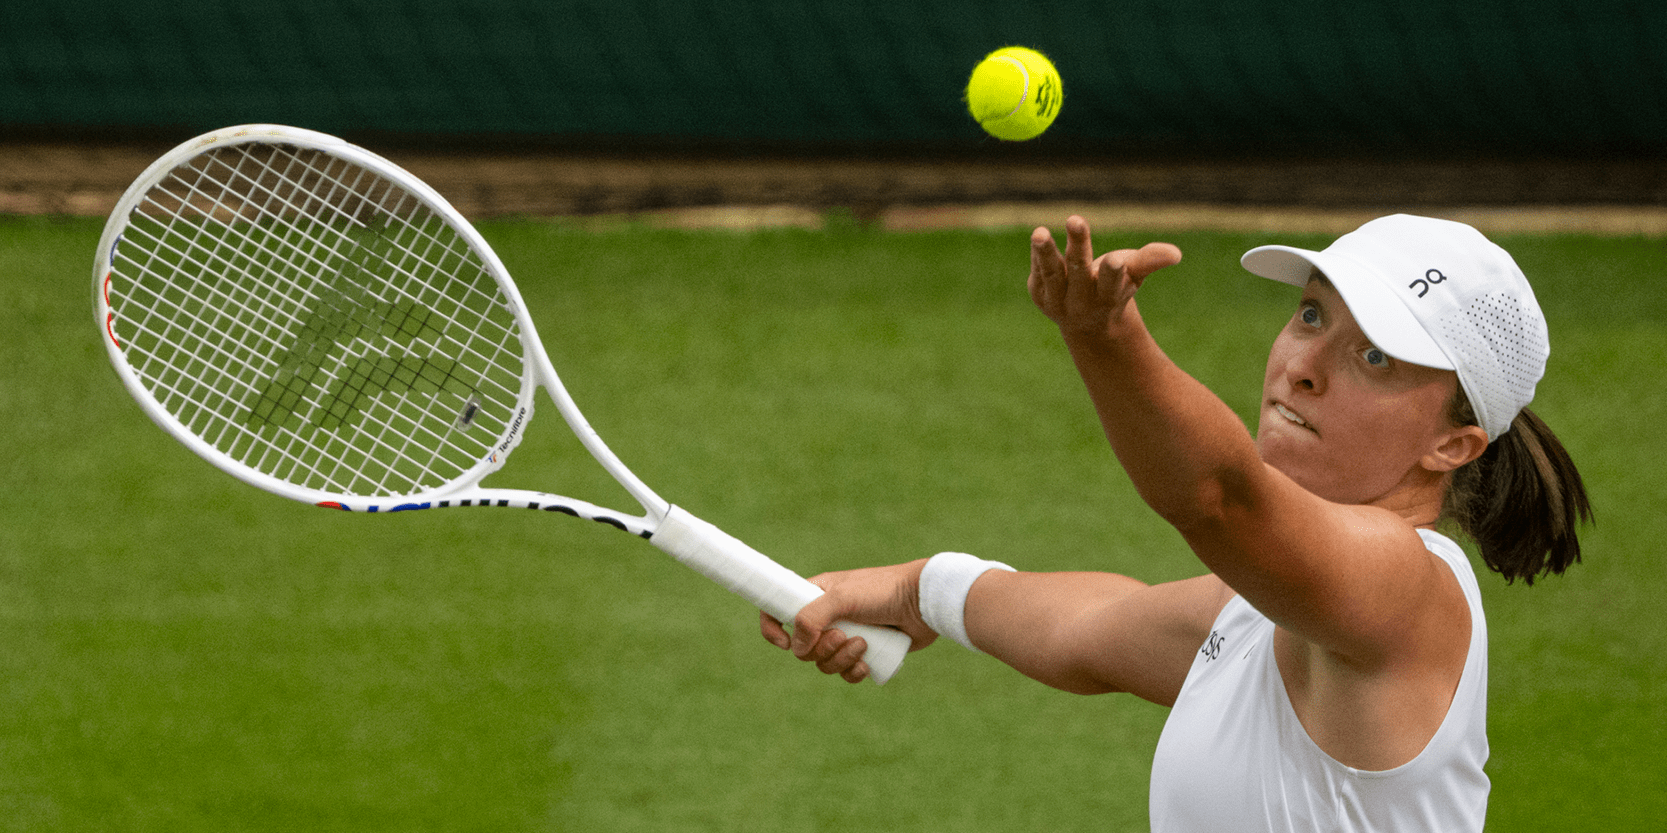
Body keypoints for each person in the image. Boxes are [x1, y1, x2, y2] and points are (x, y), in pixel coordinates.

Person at [759, 214, 1591, 831]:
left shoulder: (1407, 589)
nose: (1301, 367)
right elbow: (1086, 629)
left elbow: (1217, 499)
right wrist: (915, 590)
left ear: (1452, 443)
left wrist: (1105, 335)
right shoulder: (1263, 610)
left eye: (1372, 356)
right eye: (1310, 315)